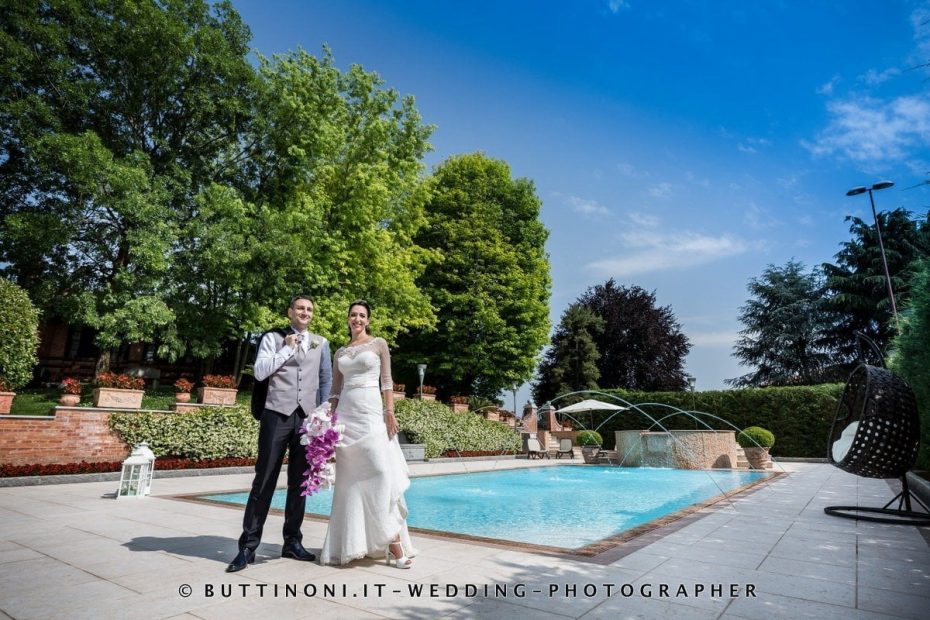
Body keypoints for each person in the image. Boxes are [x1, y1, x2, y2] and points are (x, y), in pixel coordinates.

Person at [227, 294, 333, 572]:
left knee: (300, 483)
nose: (305, 312)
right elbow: (261, 373)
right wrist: (286, 349)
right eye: (300, 308)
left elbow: (325, 381)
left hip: (307, 420)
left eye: (309, 309)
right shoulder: (272, 338)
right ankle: (248, 547)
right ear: (290, 312)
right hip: (276, 415)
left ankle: (292, 542)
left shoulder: (321, 343)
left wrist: (323, 416)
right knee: (264, 479)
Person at [320, 300, 417, 568]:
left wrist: (389, 412)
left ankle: (394, 543)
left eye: (362, 315)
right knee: (349, 482)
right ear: (348, 318)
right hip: (347, 421)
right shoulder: (339, 352)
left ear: (368, 320)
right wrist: (326, 420)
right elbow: (335, 391)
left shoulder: (379, 344)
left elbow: (387, 382)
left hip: (372, 415)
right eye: (353, 315)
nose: (357, 319)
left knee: (381, 473)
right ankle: (351, 544)